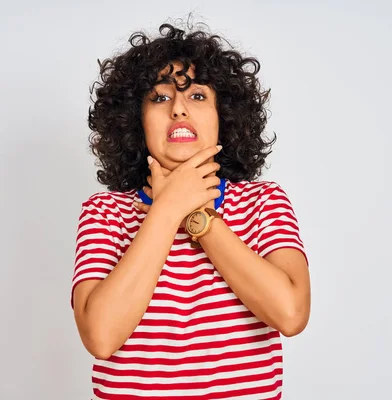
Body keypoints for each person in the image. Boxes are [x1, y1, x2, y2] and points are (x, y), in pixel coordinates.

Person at [71, 21, 311, 400]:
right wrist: (167, 209)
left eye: (198, 96)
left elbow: (291, 314)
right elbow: (101, 336)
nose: (179, 110)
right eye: (160, 98)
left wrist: (197, 217)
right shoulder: (104, 213)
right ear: (136, 118)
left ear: (224, 118)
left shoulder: (264, 203)